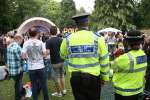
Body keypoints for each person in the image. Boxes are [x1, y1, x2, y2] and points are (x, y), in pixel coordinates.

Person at [60, 13, 110, 100]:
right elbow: (104, 60)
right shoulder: (98, 38)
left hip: (76, 78)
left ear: (76, 24)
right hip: (93, 78)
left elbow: (62, 55)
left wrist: (73, 56)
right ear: (87, 22)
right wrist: (105, 77)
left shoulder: (67, 39)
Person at [110, 30, 147, 100]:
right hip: (138, 90)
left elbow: (112, 66)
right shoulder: (143, 54)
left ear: (127, 42)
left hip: (123, 93)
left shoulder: (124, 58)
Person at [22, 27, 49, 100]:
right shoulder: (41, 43)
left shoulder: (26, 43)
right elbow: (45, 54)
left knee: (33, 85)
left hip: (31, 67)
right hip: (40, 66)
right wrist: (41, 57)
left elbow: (23, 55)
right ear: (37, 33)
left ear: (28, 34)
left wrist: (28, 58)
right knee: (44, 85)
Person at [46, 26, 66, 97]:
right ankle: (64, 90)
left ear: (50, 32)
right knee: (62, 76)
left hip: (54, 62)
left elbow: (47, 52)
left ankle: (59, 93)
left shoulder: (48, 41)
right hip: (62, 60)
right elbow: (64, 50)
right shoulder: (61, 39)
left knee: (56, 78)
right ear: (56, 32)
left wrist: (43, 55)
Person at [6, 33, 25, 100]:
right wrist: (25, 59)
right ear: (18, 39)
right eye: (22, 40)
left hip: (11, 69)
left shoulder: (9, 46)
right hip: (17, 70)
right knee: (18, 84)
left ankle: (22, 94)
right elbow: (20, 58)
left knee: (17, 83)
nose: (22, 41)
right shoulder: (17, 47)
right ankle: (18, 97)